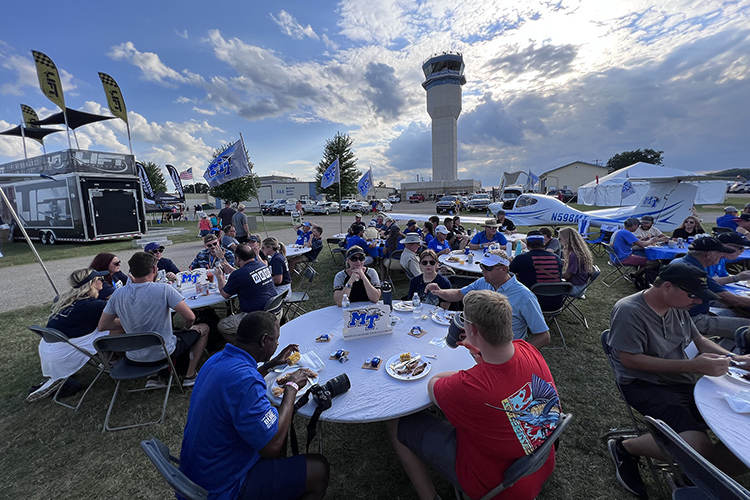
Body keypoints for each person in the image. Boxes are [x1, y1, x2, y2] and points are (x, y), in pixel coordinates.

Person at [387, 290, 561, 500]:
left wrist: (470, 372)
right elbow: (501, 373)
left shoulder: (470, 388)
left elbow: (434, 384)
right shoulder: (526, 348)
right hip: (540, 462)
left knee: (397, 423)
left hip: (500, 486)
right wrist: (480, 353)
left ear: (472, 329)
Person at [606, 263, 750, 498]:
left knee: (739, 430)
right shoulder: (629, 310)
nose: (697, 301)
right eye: (692, 295)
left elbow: (697, 338)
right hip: (645, 384)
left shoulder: (677, 305)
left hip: (683, 380)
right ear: (667, 286)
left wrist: (734, 359)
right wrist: (692, 366)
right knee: (697, 447)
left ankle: (693, 474)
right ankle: (625, 446)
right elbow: (630, 360)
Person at [179, 311, 330, 500]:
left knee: (273, 416)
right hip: (222, 487)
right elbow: (272, 447)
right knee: (319, 469)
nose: (277, 344)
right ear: (264, 340)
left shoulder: (216, 360)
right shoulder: (246, 380)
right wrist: (291, 387)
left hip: (196, 474)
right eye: (276, 340)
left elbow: (239, 386)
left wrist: (270, 365)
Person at [98, 252, 210, 387]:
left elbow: (103, 325)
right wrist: (188, 327)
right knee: (204, 328)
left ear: (131, 271)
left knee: (150, 337)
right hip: (163, 353)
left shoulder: (117, 294)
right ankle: (190, 375)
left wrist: (131, 321)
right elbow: (190, 317)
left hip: (133, 356)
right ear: (154, 270)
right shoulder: (164, 289)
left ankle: (153, 377)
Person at [426, 250, 550, 349]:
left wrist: (519, 355)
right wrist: (439, 291)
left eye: (488, 268)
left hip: (503, 351)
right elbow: (459, 293)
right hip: (478, 344)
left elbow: (544, 336)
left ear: (504, 269)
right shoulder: (484, 282)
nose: (483, 270)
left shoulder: (524, 296)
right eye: (482, 266)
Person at [27, 269, 116, 402]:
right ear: (91, 283)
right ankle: (115, 362)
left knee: (108, 326)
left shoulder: (62, 299)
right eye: (99, 279)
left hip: (49, 348)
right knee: (120, 327)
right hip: (67, 351)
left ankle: (56, 380)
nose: (102, 281)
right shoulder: (92, 305)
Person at [671, 237, 750, 342]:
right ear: (709, 254)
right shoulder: (695, 271)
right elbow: (734, 300)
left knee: (737, 313)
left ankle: (727, 350)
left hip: (678, 316)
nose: (721, 258)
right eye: (720, 255)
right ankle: (735, 355)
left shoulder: (679, 262)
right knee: (746, 326)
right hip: (693, 319)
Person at [216, 244, 278, 342]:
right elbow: (248, 275)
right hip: (275, 310)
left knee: (222, 325)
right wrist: (232, 270)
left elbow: (225, 294)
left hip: (260, 318)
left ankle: (245, 346)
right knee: (238, 311)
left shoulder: (239, 274)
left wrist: (219, 277)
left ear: (238, 258)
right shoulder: (262, 265)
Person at [509, 231, 563, 311]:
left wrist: (510, 262)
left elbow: (508, 274)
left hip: (531, 303)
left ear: (527, 245)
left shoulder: (522, 258)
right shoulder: (556, 258)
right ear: (544, 243)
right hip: (556, 302)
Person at [558, 227, 594, 297]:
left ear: (566, 239)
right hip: (580, 286)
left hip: (576, 288)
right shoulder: (578, 252)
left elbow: (567, 275)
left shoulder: (573, 255)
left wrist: (552, 275)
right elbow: (569, 263)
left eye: (560, 239)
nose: (560, 241)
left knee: (550, 288)